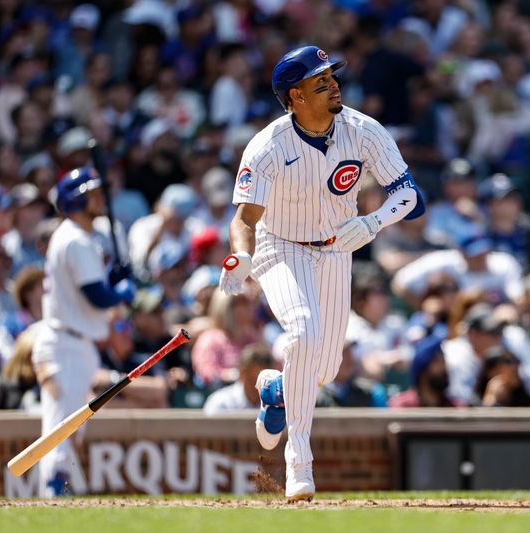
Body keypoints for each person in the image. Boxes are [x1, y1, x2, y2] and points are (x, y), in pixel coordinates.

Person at [218, 46, 423, 501]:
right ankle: (299, 462)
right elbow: (244, 219)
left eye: (332, 77)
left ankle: (277, 387)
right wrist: (241, 257)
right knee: (304, 333)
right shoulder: (268, 145)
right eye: (320, 82)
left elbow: (410, 195)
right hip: (281, 246)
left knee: (324, 369)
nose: (333, 86)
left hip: (336, 248)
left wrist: (373, 222)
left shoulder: (362, 129)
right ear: (296, 96)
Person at [31, 167, 135, 498]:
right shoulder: (74, 238)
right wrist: (120, 291)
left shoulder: (78, 237)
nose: (100, 197)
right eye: (92, 193)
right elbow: (97, 296)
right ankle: (52, 489)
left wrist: (112, 278)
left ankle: (58, 487)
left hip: (75, 343)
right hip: (65, 345)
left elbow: (92, 291)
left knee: (70, 424)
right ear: (76, 200)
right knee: (61, 422)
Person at [388, 335, 460, 408]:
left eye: (444, 362)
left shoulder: (454, 407)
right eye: (438, 362)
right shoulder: (402, 406)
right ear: (423, 370)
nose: (444, 368)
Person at [203, 342, 275, 414]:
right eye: (253, 380)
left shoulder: (275, 404)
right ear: (242, 374)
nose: (259, 387)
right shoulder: (220, 403)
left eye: (266, 381)